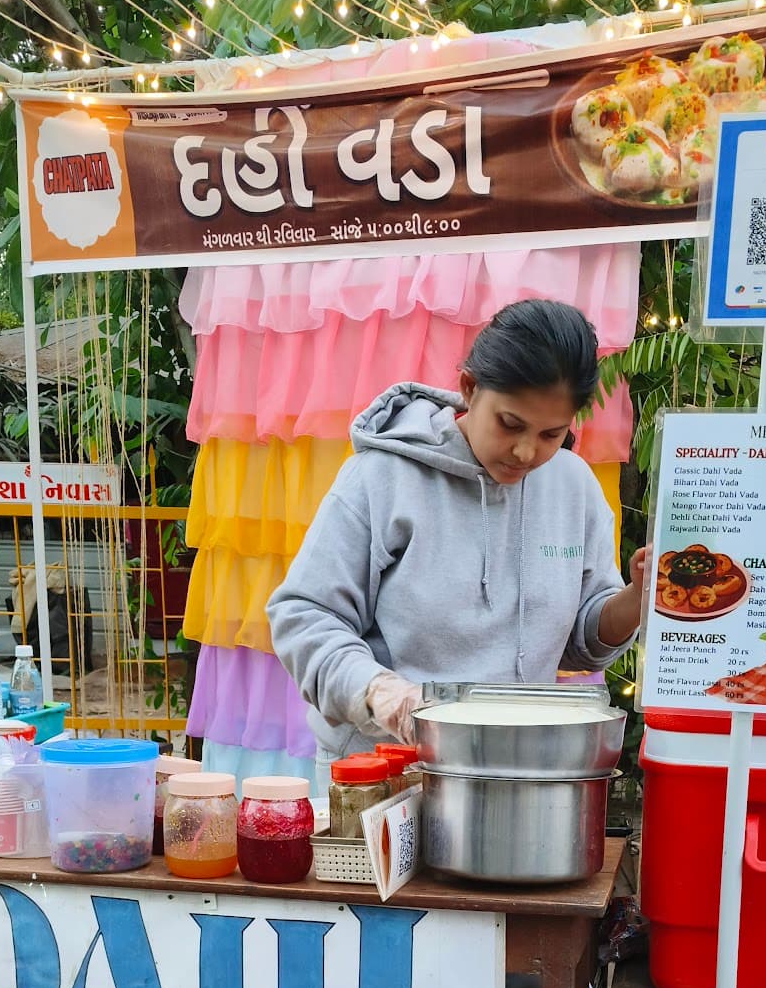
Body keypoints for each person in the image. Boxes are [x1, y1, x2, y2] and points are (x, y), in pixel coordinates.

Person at [268, 298, 648, 762]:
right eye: (510, 424)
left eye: (551, 434)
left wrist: (637, 599)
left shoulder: (574, 487)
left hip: (519, 766)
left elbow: (581, 645)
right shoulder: (383, 478)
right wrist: (385, 696)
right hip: (387, 768)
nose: (526, 452)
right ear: (469, 388)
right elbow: (304, 616)